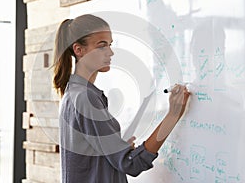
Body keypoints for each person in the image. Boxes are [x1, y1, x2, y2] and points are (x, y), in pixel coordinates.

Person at [53, 14, 190, 183]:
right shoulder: (85, 98)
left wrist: (114, 147)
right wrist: (172, 116)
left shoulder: (73, 93)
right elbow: (131, 164)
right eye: (102, 46)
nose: (110, 52)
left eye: (110, 45)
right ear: (79, 50)